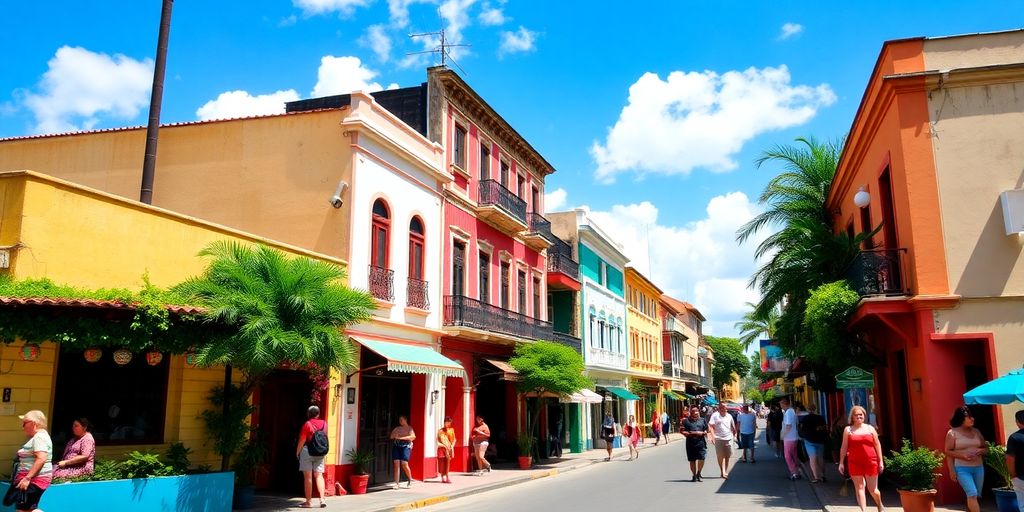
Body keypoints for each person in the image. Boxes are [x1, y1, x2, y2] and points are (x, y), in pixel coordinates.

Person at [838, 406, 884, 512]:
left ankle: (879, 504)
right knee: (859, 488)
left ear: (864, 416)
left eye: (861, 414)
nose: (859, 416)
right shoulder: (848, 430)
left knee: (873, 490)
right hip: (854, 462)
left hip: (870, 461)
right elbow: (844, 447)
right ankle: (863, 510)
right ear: (852, 417)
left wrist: (880, 461)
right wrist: (841, 462)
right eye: (856, 415)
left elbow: (877, 445)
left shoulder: (870, 428)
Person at [945, 405, 987, 512]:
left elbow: (986, 448)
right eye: (969, 417)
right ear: (961, 419)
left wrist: (980, 451)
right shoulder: (952, 433)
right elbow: (948, 452)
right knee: (972, 493)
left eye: (972, 417)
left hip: (978, 467)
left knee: (975, 495)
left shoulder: (976, 431)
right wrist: (952, 470)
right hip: (962, 468)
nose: (972, 419)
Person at [13, 410, 52, 512]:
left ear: (34, 423)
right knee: (27, 509)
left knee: (23, 510)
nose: (23, 426)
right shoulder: (39, 436)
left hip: (34, 481)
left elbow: (41, 458)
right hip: (33, 480)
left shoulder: (39, 437)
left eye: (25, 423)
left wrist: (27, 478)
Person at [295, 405, 327, 508]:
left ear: (308, 414)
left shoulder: (307, 424)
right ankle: (322, 500)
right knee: (319, 475)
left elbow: (302, 440)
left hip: (307, 451)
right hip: (320, 452)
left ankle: (308, 502)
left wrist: (297, 452)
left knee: (308, 477)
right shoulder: (324, 424)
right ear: (318, 414)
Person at [681, 406, 710, 482]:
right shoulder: (686, 421)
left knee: (702, 458)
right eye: (693, 411)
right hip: (690, 443)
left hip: (701, 442)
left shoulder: (702, 420)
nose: (695, 413)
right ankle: (694, 475)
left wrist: (705, 432)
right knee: (692, 460)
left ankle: (698, 473)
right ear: (691, 412)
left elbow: (707, 429)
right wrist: (691, 433)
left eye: (696, 411)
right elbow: (682, 431)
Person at [708, 403, 738, 479]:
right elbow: (710, 425)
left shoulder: (729, 416)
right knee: (720, 456)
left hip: (728, 438)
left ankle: (725, 470)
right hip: (718, 438)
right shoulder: (715, 415)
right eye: (721, 407)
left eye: (724, 407)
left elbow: (733, 427)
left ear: (726, 408)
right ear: (719, 408)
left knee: (727, 456)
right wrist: (712, 436)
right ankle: (722, 471)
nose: (722, 408)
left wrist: (735, 435)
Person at [801, 404, 828, 483]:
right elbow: (825, 427)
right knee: (820, 458)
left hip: (809, 440)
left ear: (807, 409)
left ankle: (816, 477)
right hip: (820, 439)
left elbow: (802, 429)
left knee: (812, 458)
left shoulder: (805, 418)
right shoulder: (820, 417)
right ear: (815, 409)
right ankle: (823, 475)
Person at [1005, 409, 1024, 512]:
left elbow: (1010, 458)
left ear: (1017, 421)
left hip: (1021, 477)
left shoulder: (1014, 437)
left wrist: (1012, 475)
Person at [390, 416, 416, 488]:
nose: (400, 421)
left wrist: (401, 438)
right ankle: (396, 483)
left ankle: (410, 479)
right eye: (399, 420)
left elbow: (413, 437)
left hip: (405, 446)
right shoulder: (397, 428)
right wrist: (395, 435)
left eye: (401, 419)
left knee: (404, 463)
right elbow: (391, 436)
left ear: (405, 420)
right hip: (397, 446)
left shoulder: (409, 428)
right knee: (396, 464)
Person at [781, 398, 802, 480]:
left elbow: (788, 426)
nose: (781, 406)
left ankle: (795, 472)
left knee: (788, 456)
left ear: (784, 404)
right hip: (793, 437)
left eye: (781, 404)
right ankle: (798, 471)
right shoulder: (792, 411)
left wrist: (783, 435)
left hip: (789, 438)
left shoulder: (789, 412)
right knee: (793, 456)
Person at [436, 416, 456, 484]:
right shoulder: (440, 431)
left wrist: (452, 446)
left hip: (449, 448)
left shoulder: (451, 430)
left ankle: (447, 476)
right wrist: (444, 446)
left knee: (447, 463)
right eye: (447, 422)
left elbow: (454, 439)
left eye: (449, 422)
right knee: (442, 463)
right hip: (442, 448)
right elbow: (438, 441)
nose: (448, 424)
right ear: (444, 422)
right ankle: (442, 477)